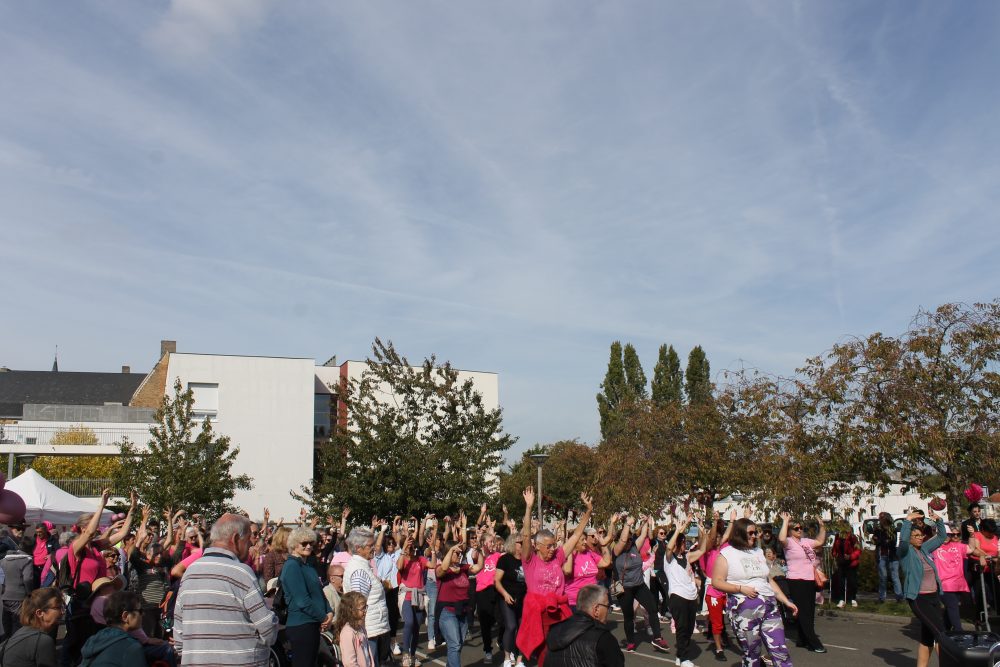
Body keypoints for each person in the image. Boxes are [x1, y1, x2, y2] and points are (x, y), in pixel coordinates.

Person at [173, 513, 278, 666]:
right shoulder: (242, 573)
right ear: (235, 539)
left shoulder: (190, 573)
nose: (251, 544)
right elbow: (268, 631)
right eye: (247, 539)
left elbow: (179, 637)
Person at [516, 488, 602, 662]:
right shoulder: (530, 560)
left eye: (554, 545)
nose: (552, 549)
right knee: (544, 656)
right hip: (539, 616)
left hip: (559, 612)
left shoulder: (558, 557)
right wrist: (528, 507)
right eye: (548, 546)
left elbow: (576, 535)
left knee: (562, 653)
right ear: (537, 546)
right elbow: (526, 536)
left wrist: (588, 511)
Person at [711, 518, 798, 667]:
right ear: (739, 533)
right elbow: (717, 581)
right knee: (752, 653)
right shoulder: (727, 553)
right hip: (744, 607)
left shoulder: (758, 551)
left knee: (780, 649)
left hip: (769, 604)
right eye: (751, 533)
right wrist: (740, 588)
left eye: (755, 532)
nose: (755, 536)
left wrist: (786, 601)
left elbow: (767, 579)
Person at [611, 514, 670, 654]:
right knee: (628, 616)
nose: (629, 541)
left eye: (631, 539)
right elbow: (623, 539)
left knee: (653, 608)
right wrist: (627, 524)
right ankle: (631, 641)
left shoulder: (634, 547)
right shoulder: (617, 551)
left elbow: (643, 535)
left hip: (639, 585)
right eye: (627, 539)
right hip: (622, 587)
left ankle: (657, 638)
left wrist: (646, 522)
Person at [897, 509, 947, 667]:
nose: (920, 538)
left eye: (921, 535)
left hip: (933, 597)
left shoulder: (924, 549)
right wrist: (908, 520)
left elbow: (941, 537)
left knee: (928, 638)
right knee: (941, 634)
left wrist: (939, 521)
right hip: (919, 598)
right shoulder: (905, 553)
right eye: (916, 536)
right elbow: (903, 542)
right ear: (910, 538)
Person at [281, 527, 334, 667]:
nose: (309, 546)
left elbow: (319, 593)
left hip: (313, 623)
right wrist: (323, 618)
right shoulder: (292, 566)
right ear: (294, 544)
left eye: (311, 543)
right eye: (304, 543)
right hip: (301, 625)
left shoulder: (308, 565)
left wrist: (329, 612)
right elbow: (302, 601)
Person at [778, 512, 826, 653]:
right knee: (803, 611)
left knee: (809, 610)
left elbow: (820, 541)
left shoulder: (805, 541)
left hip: (809, 579)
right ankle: (814, 642)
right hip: (796, 580)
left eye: (801, 528)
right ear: (790, 531)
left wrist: (822, 526)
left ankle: (802, 639)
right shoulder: (789, 542)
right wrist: (785, 521)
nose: (800, 530)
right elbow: (781, 538)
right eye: (796, 528)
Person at [343, 527, 391, 666]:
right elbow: (358, 606)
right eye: (370, 545)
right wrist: (360, 632)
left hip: (372, 628)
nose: (374, 548)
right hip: (368, 631)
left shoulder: (363, 566)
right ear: (358, 548)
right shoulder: (359, 571)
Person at [663, 517, 708, 667]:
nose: (685, 544)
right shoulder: (668, 559)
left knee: (688, 629)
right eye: (683, 542)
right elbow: (669, 548)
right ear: (677, 543)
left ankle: (680, 655)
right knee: (682, 628)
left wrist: (703, 534)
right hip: (677, 596)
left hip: (691, 597)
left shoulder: (687, 556)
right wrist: (677, 531)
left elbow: (702, 550)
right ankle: (683, 659)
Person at [545, 585, 624, 667]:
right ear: (596, 609)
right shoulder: (604, 638)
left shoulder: (554, 631)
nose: (608, 611)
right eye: (607, 606)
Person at [435, 539, 484, 667]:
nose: (459, 555)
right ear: (449, 552)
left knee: (458, 645)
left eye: (460, 553)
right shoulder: (440, 569)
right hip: (447, 611)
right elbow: (443, 568)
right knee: (455, 644)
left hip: (463, 610)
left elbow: (479, 567)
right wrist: (451, 549)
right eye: (456, 553)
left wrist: (479, 550)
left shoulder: (463, 568)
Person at [78, 590, 146, 667]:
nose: (143, 614)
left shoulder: (93, 640)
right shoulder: (131, 647)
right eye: (140, 611)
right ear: (125, 616)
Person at [0, 587, 63, 666]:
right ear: (40, 613)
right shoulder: (42, 641)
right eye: (58, 607)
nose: (62, 612)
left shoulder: (24, 630)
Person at [494, 534, 526, 667]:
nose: (523, 545)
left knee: (523, 629)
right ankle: (507, 658)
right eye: (520, 543)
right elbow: (497, 581)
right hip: (507, 598)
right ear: (513, 543)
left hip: (523, 598)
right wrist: (505, 594)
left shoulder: (527, 559)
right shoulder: (505, 559)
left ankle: (520, 660)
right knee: (511, 626)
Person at [396, 534, 428, 667]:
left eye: (414, 546)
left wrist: (432, 548)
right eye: (410, 546)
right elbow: (399, 567)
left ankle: (413, 655)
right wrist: (403, 548)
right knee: (409, 622)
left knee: (416, 627)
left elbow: (432, 564)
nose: (413, 549)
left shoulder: (420, 559)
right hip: (407, 596)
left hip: (419, 596)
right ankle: (405, 654)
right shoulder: (402, 559)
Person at [933, 523, 969, 632]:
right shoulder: (933, 547)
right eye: (944, 534)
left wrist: (972, 535)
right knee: (953, 606)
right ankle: (959, 632)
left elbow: (972, 549)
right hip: (943, 584)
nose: (947, 537)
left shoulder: (957, 545)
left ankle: (945, 631)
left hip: (958, 583)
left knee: (951, 607)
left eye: (949, 534)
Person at [1, 534, 37, 638]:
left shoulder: (4, 560)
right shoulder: (27, 560)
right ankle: (15, 643)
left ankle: (6, 643)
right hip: (19, 597)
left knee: (7, 623)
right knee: (18, 624)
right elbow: (28, 578)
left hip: (5, 596)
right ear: (32, 548)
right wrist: (30, 593)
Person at [967, 517, 999, 624]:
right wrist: (988, 556)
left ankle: (997, 613)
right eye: (989, 532)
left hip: (991, 569)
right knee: (981, 592)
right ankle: (979, 617)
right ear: (983, 530)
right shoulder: (977, 535)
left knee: (996, 590)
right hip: (979, 570)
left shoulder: (995, 537)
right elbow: (975, 550)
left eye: (992, 532)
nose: (991, 534)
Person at [335, 591, 374, 667]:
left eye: (365, 607)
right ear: (351, 611)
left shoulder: (360, 628)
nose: (365, 611)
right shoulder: (347, 633)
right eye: (362, 609)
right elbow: (349, 662)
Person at [872, 512, 903, 603]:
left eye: (882, 518)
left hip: (892, 556)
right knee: (883, 577)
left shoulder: (892, 529)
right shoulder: (878, 530)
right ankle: (882, 597)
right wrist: (883, 541)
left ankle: (899, 597)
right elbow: (875, 541)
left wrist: (882, 541)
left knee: (895, 577)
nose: (880, 520)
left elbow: (892, 542)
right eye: (880, 518)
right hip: (882, 555)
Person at [832, 526, 861, 608]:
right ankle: (841, 599)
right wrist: (834, 554)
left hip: (851, 562)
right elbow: (835, 548)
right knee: (840, 581)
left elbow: (858, 550)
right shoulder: (838, 537)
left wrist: (851, 556)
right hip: (841, 562)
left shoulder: (852, 537)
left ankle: (853, 598)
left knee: (852, 581)